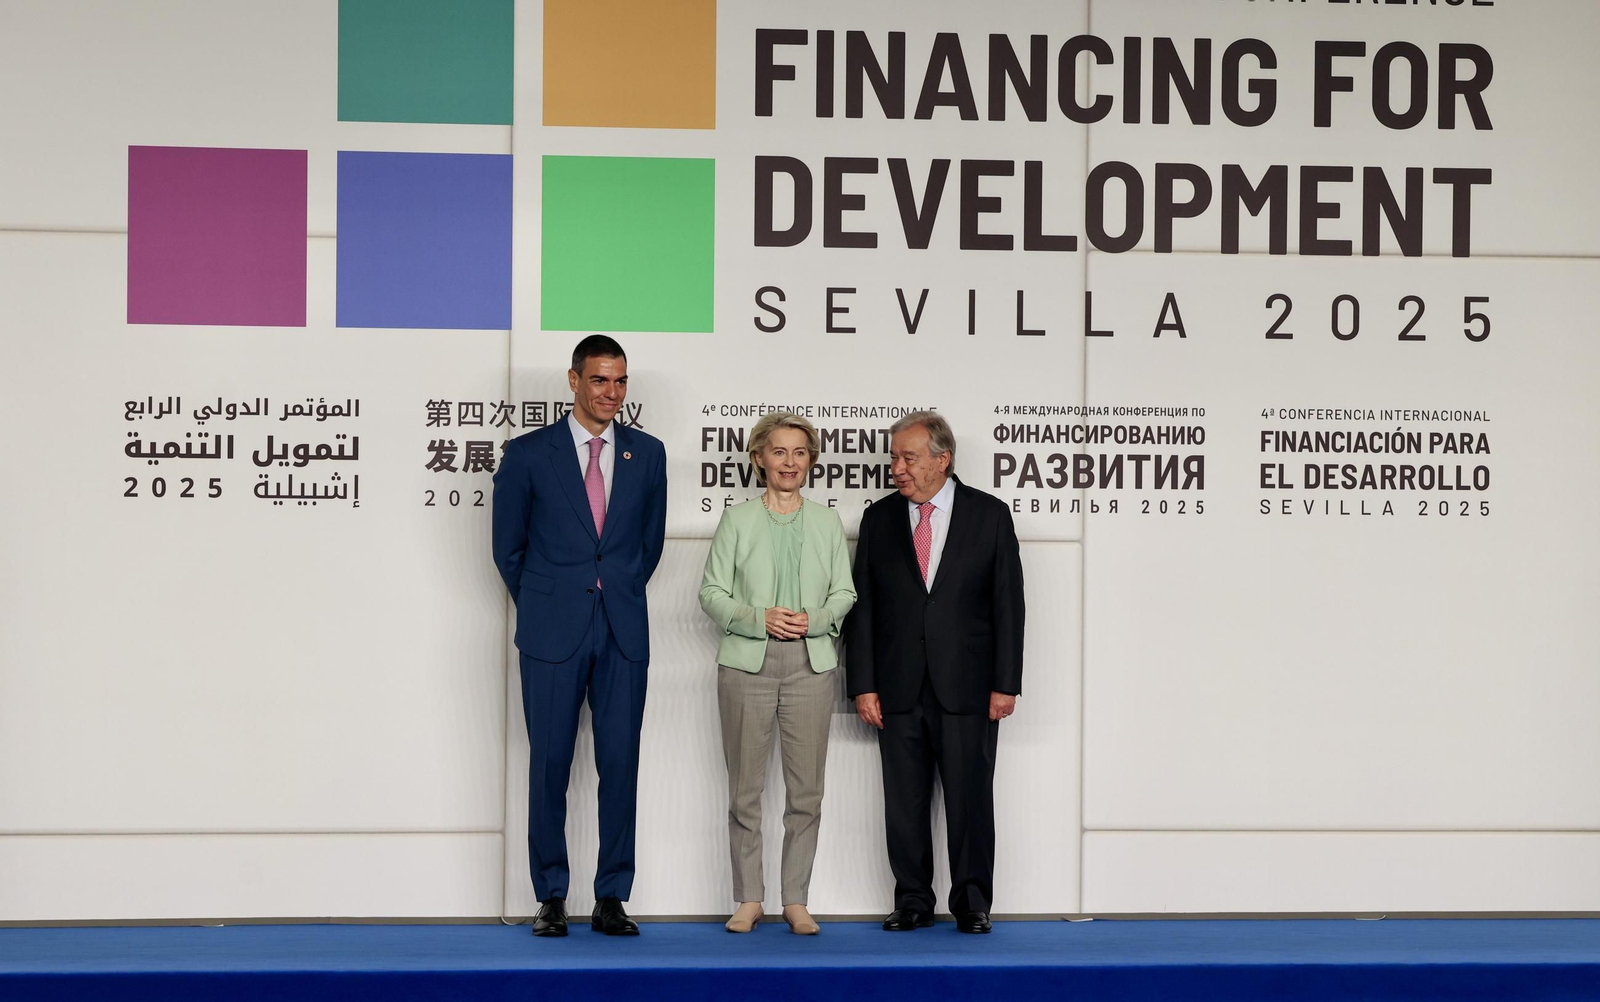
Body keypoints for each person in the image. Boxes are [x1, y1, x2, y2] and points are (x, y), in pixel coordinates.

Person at [492, 335, 667, 938]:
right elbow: (508, 549)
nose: (611, 393)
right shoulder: (527, 454)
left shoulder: (647, 454)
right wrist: (548, 602)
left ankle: (611, 896)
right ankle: (550, 895)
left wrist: (613, 589)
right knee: (549, 764)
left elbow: (646, 546)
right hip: (551, 633)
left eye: (620, 381)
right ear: (573, 381)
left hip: (622, 630)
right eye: (599, 380)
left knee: (621, 763)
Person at [846, 412, 1024, 935]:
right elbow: (864, 609)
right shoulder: (879, 520)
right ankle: (912, 901)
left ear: (942, 459)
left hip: (969, 687)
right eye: (894, 458)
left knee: (971, 800)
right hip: (897, 687)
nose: (897, 468)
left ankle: (972, 902)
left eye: (909, 458)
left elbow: (1008, 605)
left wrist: (1005, 683)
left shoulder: (989, 516)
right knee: (903, 804)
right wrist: (863, 684)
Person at [698, 412, 856, 935]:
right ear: (759, 459)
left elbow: (844, 593)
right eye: (779, 452)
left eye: (800, 453)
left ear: (811, 461)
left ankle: (795, 899)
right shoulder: (737, 520)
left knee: (806, 793)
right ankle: (749, 897)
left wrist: (818, 619)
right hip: (748, 665)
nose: (790, 462)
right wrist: (757, 618)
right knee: (744, 791)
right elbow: (711, 593)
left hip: (811, 667)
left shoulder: (827, 522)